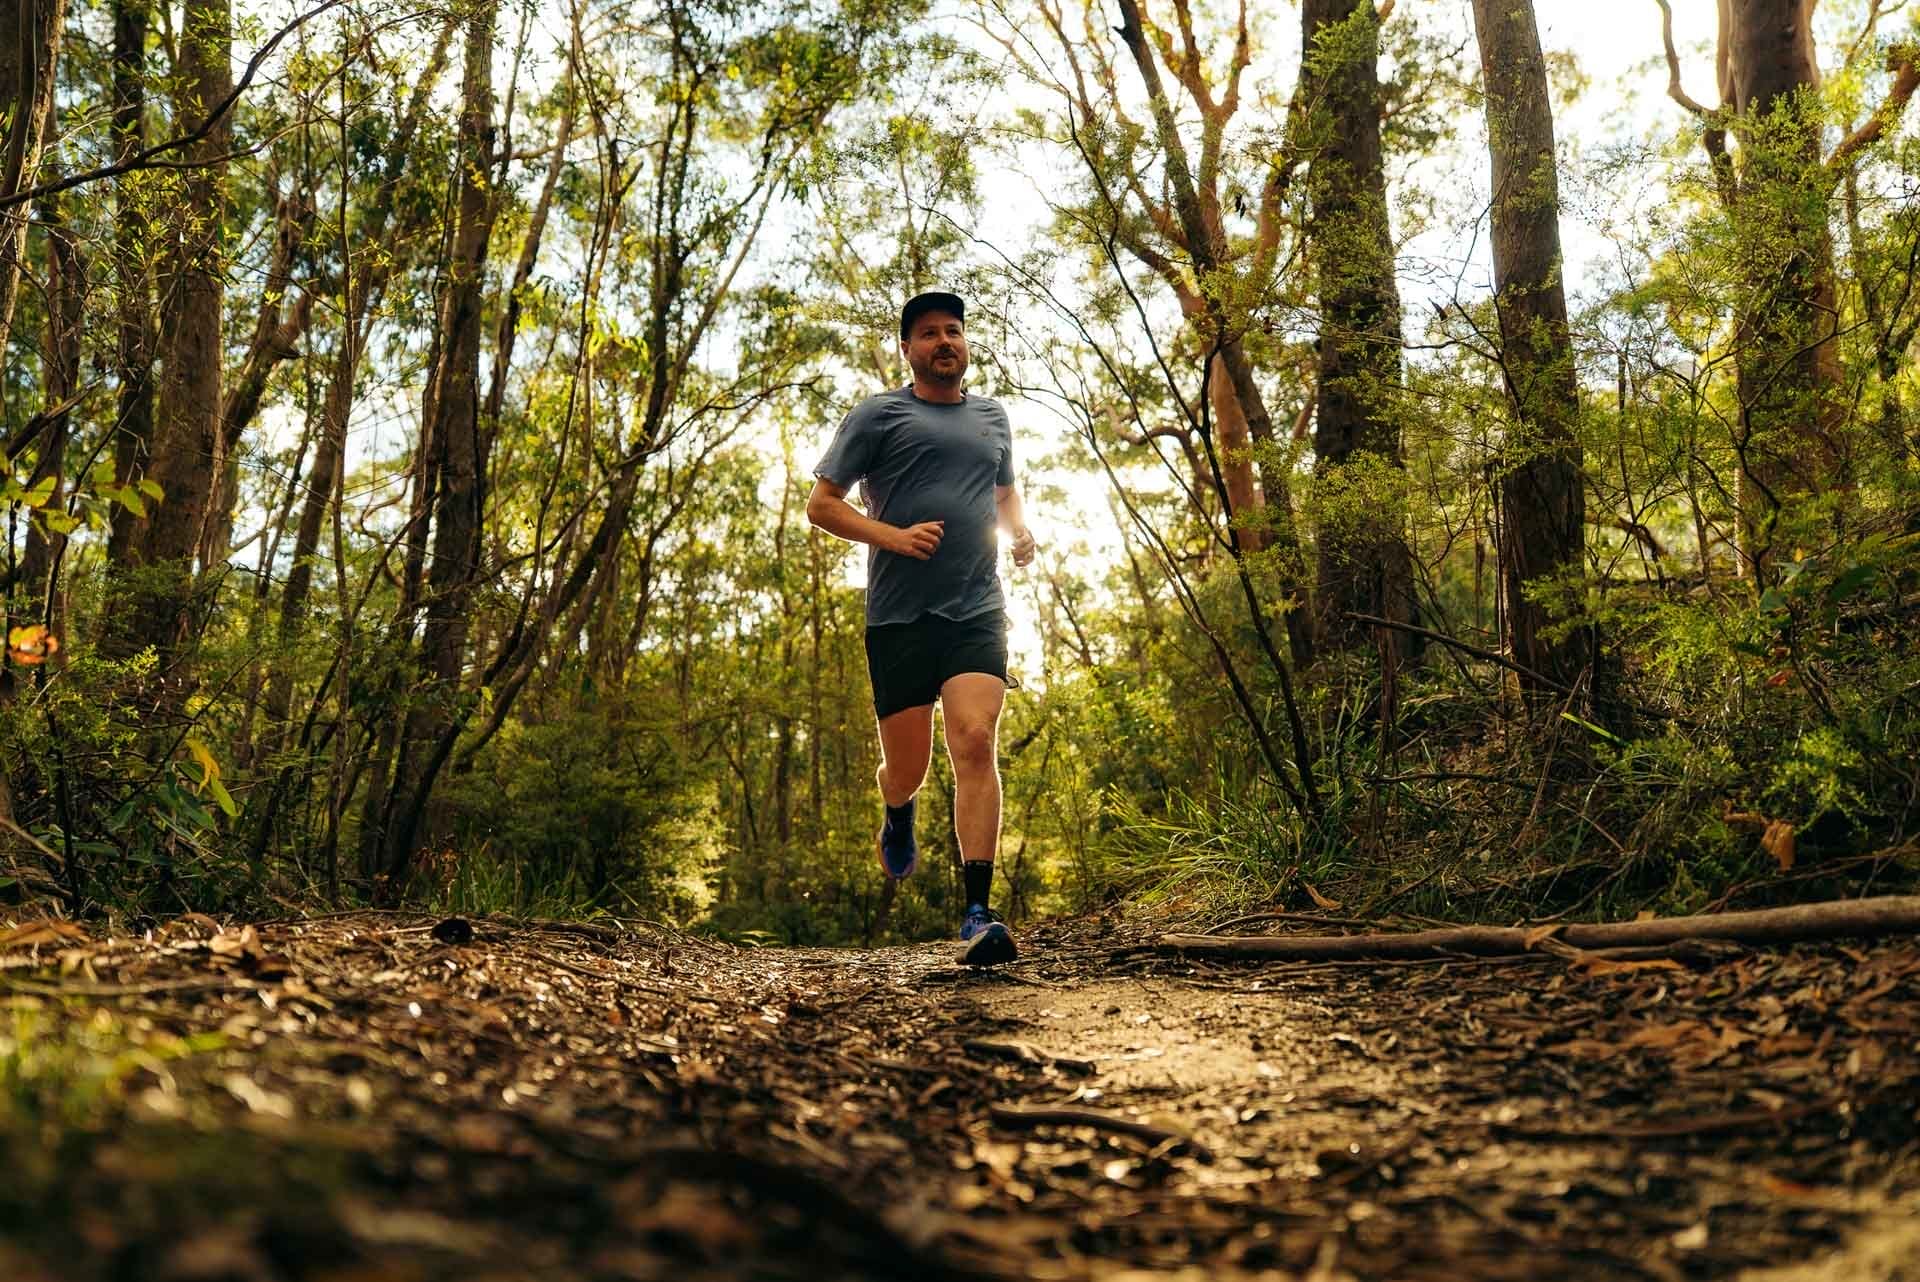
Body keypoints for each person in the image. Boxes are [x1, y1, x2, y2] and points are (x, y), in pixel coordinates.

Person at [806, 291, 1037, 966]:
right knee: (909, 767)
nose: (945, 341)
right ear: (907, 349)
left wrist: (1018, 532)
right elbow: (822, 506)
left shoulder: (993, 417)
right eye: (930, 333)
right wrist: (893, 538)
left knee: (974, 738)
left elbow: (1002, 494)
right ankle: (897, 808)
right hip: (899, 615)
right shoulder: (879, 414)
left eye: (954, 331)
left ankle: (976, 912)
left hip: (976, 608)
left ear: (966, 345)